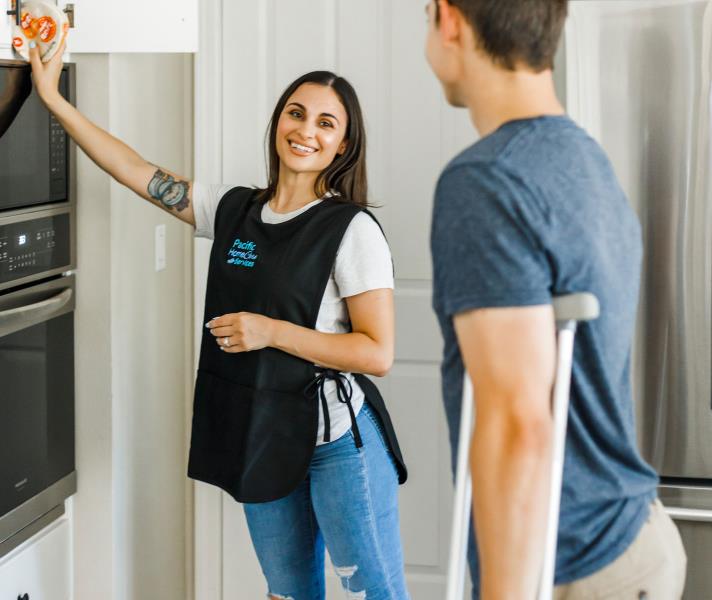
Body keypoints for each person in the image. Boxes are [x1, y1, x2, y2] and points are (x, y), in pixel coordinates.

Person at [30, 38, 410, 600]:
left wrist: (269, 331)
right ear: (278, 121)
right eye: (296, 113)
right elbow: (134, 170)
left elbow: (376, 353)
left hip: (337, 445)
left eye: (326, 124)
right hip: (261, 433)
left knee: (374, 594)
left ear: (342, 145)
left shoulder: (351, 230)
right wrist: (54, 99)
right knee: (288, 593)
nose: (307, 130)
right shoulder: (232, 209)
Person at [424, 1, 687, 598]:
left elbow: (520, 423)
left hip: (573, 562)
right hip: (633, 533)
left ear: (449, 20)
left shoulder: (486, 180)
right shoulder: (585, 160)